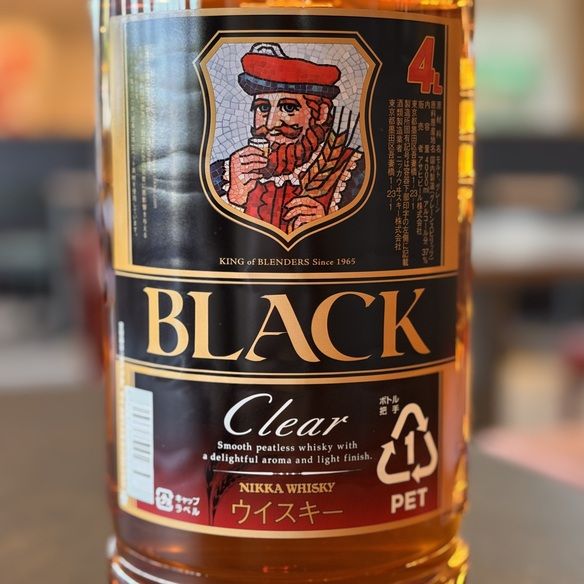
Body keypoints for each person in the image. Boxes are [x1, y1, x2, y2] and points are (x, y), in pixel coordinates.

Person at [210, 43, 364, 234]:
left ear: (321, 114)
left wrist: (328, 224)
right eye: (263, 108)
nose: (271, 123)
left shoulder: (355, 172)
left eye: (288, 108)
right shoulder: (221, 175)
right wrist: (234, 199)